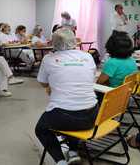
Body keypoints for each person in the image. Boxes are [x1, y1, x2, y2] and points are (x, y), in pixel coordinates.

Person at [35, 28, 98, 165]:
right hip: (92, 115)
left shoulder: (49, 59)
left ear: (54, 42)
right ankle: (73, 151)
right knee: (73, 108)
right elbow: (90, 78)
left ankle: (60, 161)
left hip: (63, 116)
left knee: (41, 129)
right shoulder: (87, 56)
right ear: (74, 40)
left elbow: (43, 82)